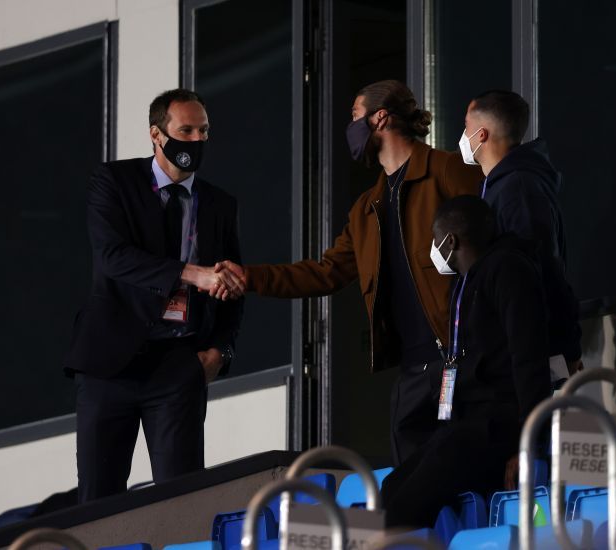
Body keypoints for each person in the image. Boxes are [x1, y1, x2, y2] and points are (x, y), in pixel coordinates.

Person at [217, 80, 482, 465]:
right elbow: (326, 272)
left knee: (466, 469)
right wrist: (249, 277)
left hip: (460, 358)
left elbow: (490, 251)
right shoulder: (366, 208)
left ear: (380, 118)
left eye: (355, 116)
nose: (351, 126)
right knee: (409, 482)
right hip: (412, 371)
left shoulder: (445, 170)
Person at [64, 88, 245, 503]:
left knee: (182, 501)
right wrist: (190, 274)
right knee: (98, 503)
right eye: (186, 130)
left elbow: (233, 285)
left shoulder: (219, 204)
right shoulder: (114, 182)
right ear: (156, 134)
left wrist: (221, 349)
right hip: (110, 364)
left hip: (178, 365)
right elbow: (113, 257)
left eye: (204, 131)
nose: (197, 139)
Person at [380, 195, 552, 528]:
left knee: (405, 508)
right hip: (462, 426)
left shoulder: (508, 269)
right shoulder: (464, 284)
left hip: (497, 426)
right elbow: (454, 363)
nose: (434, 250)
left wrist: (526, 444)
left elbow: (528, 361)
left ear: (451, 240)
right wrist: (445, 419)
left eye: (435, 241)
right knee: (390, 489)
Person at [460, 90, 582, 374]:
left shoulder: (518, 189)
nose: (463, 137)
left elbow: (545, 270)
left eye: (466, 126)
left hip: (529, 354)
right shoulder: (498, 187)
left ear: (481, 134)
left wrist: (568, 346)